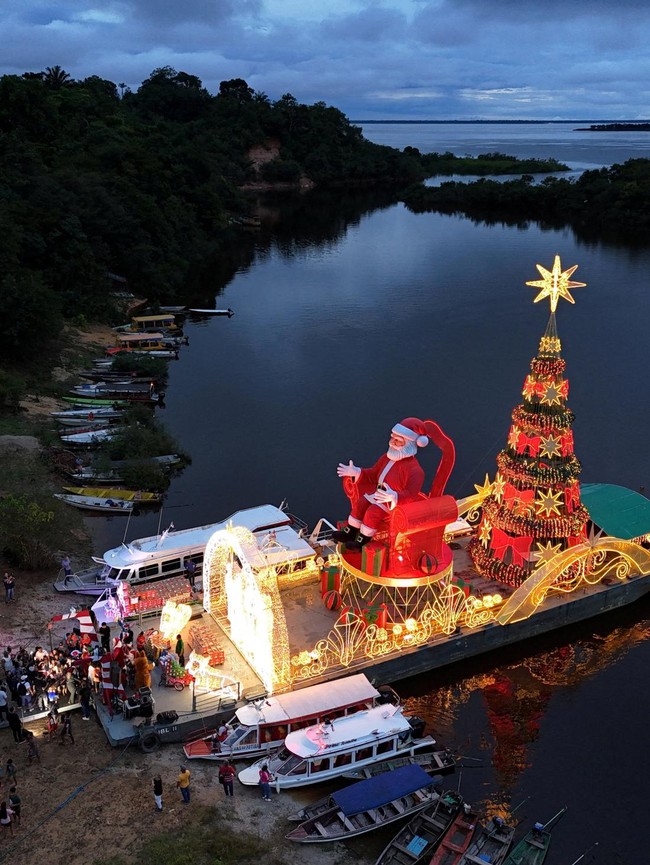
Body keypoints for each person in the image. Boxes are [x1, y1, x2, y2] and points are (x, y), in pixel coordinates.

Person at [333, 417, 429, 549]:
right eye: (392, 438)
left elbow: (411, 495)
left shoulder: (415, 470)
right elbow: (373, 474)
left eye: (397, 441)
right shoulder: (386, 458)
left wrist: (394, 496)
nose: (392, 443)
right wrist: (356, 472)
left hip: (392, 504)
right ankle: (350, 532)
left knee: (373, 512)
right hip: (378, 494)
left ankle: (361, 540)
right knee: (361, 503)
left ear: (409, 444)